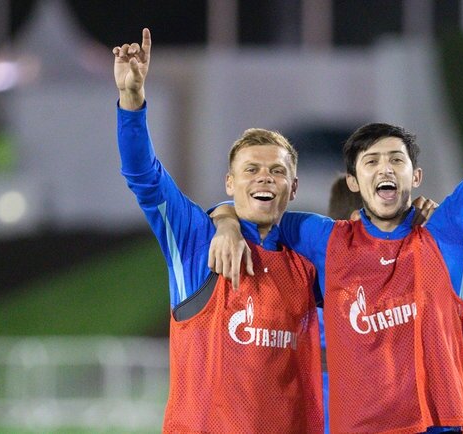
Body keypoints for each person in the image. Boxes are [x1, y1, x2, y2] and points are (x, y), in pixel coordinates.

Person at [209, 1, 463, 432]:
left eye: (396, 160)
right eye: (371, 162)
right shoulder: (326, 239)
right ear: (353, 181)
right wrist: (224, 219)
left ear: (416, 176)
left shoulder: (448, 233)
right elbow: (260, 209)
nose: (385, 169)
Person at [113, 29, 323, 433]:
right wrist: (132, 101)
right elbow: (145, 178)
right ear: (230, 183)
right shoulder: (195, 239)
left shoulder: (309, 254)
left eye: (277, 171)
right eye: (251, 169)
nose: (264, 178)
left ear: (293, 187)